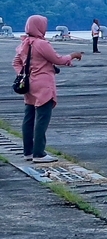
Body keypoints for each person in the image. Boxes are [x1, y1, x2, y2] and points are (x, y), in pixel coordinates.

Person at [12, 15, 83, 163]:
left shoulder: (24, 43)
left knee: (29, 118)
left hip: (30, 84)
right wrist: (73, 55)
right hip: (43, 84)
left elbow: (16, 62)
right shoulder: (41, 44)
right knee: (42, 118)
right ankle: (39, 153)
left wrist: (24, 74)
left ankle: (28, 151)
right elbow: (58, 59)